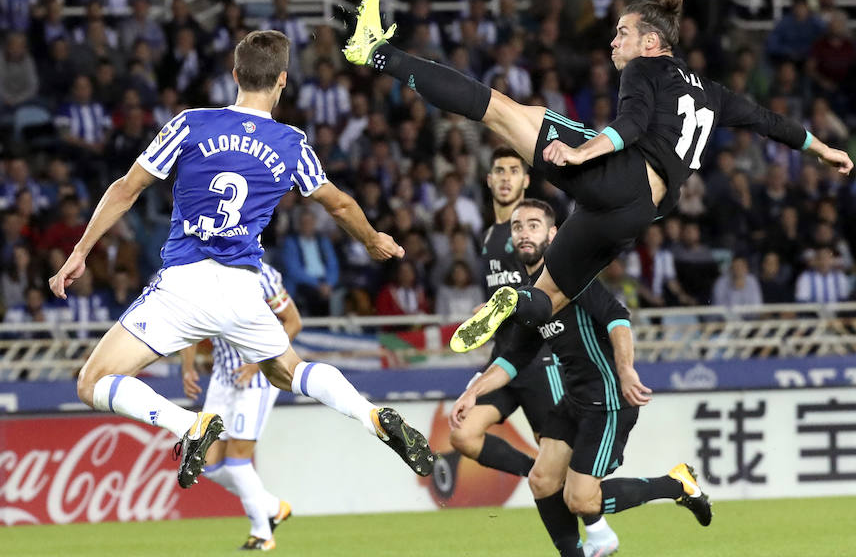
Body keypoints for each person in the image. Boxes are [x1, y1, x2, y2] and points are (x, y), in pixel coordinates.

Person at [339, 0, 854, 349]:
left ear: (651, 42)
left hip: (618, 178)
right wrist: (822, 149)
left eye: (622, 33)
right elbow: (769, 121)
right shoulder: (712, 94)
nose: (613, 42)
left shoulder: (646, 70)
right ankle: (513, 302)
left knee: (500, 110)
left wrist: (581, 152)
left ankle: (377, 54)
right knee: (548, 296)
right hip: (637, 215)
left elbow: (630, 125)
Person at [49, 30, 434, 493]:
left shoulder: (190, 124)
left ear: (235, 74)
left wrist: (80, 252)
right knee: (289, 371)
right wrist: (372, 240)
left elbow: (126, 190)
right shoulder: (291, 142)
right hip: (243, 291)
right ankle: (369, 414)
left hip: (184, 284)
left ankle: (187, 424)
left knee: (92, 382)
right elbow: (339, 204)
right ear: (283, 80)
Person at [450, 199, 711, 557]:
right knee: (542, 480)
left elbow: (617, 317)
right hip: (573, 400)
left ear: (552, 234)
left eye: (533, 225)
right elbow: (513, 358)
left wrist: (626, 369)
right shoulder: (530, 297)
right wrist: (473, 393)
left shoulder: (573, 276)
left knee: (580, 499)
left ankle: (676, 484)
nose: (524, 233)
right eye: (517, 227)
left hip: (609, 401)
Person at [448, 148, 619, 557]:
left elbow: (548, 291)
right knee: (464, 435)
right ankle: (538, 476)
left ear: (526, 181)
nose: (506, 178)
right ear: (489, 180)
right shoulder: (493, 237)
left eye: (514, 171)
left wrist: (506, 307)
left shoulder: (533, 235)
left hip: (541, 361)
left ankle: (607, 523)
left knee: (564, 472)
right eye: (499, 171)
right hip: (504, 360)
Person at [181, 262, 299, 551]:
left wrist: (259, 363)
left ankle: (262, 534)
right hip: (222, 379)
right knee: (206, 463)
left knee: (237, 462)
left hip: (257, 381)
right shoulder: (199, 275)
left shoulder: (264, 275)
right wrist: (187, 368)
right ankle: (273, 507)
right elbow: (189, 324)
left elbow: (293, 322)